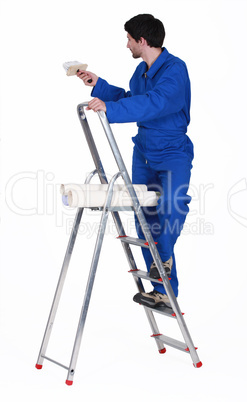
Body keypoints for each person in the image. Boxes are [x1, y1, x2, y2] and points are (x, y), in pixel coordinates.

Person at [76, 14, 193, 309]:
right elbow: (131, 98)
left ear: (142, 40)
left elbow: (157, 103)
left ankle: (162, 258)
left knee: (173, 206)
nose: (126, 43)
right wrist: (98, 85)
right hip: (144, 151)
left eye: (129, 38)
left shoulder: (175, 70)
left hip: (172, 150)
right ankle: (162, 290)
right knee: (145, 218)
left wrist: (112, 110)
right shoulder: (140, 73)